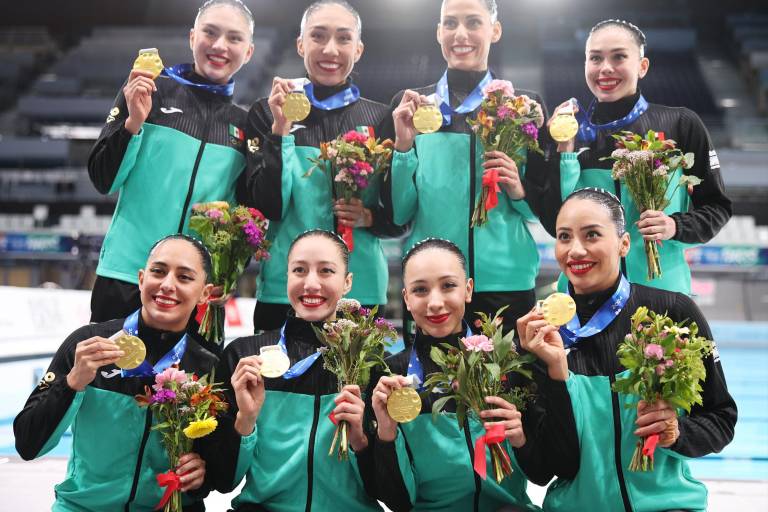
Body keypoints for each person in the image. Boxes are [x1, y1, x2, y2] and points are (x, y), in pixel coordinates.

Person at [517, 188, 737, 511]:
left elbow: (721, 419)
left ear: (623, 244)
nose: (575, 250)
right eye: (564, 237)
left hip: (666, 506)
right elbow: (548, 469)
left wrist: (677, 433)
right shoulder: (540, 335)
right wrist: (556, 376)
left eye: (592, 234)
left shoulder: (673, 312)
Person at [380, 0, 551, 339]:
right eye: (451, 23)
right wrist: (403, 147)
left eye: (473, 22)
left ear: (495, 30)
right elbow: (399, 213)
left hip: (506, 282)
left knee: (508, 376)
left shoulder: (524, 107)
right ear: (438, 32)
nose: (460, 34)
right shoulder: (412, 106)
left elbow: (540, 212)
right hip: (434, 286)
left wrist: (518, 190)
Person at [368, 238, 576, 512]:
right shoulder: (391, 376)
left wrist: (520, 440)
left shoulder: (507, 363)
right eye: (420, 290)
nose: (435, 302)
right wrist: (386, 433)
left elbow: (542, 474)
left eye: (448, 286)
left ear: (468, 290)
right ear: (406, 298)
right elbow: (397, 503)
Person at [14, 234, 218, 511]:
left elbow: (221, 470)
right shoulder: (88, 344)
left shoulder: (207, 367)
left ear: (205, 293)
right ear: (142, 279)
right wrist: (72, 383)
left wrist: (204, 472)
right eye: (158, 272)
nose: (167, 285)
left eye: (184, 277)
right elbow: (27, 444)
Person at [87, 0, 255, 322]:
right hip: (127, 276)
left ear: (248, 52)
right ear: (192, 37)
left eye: (234, 38)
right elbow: (102, 179)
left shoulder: (246, 125)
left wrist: (229, 272)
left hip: (196, 289)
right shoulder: (149, 90)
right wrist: (133, 123)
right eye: (210, 32)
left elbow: (243, 217)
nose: (220, 45)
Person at [245, 0, 403, 332]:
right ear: (301, 44)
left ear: (358, 49)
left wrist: (370, 217)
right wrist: (280, 132)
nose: (330, 49)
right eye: (318, 36)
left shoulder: (380, 118)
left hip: (359, 291)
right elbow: (269, 206)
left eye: (343, 38)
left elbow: (401, 218)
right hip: (286, 290)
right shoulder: (267, 111)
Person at [200, 230, 382, 511]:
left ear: (347, 282)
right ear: (286, 277)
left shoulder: (371, 362)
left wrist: (360, 439)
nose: (311, 284)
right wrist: (245, 420)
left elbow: (389, 492)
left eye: (326, 271)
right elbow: (221, 481)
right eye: (299, 270)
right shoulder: (244, 357)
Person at [548, 19, 732, 294]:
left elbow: (717, 208)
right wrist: (563, 151)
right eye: (595, 58)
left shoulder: (680, 124)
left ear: (642, 66)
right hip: (585, 296)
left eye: (619, 56)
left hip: (661, 294)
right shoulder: (569, 132)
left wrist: (674, 226)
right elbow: (552, 219)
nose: (605, 67)